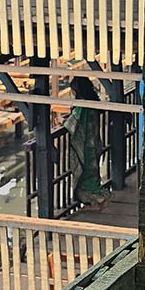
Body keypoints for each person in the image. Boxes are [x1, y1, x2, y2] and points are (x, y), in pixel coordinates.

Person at [64, 78, 110, 209]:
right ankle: (97, 198)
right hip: (94, 143)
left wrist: (62, 121)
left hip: (84, 147)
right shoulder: (93, 102)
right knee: (93, 172)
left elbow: (71, 124)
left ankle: (94, 200)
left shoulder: (81, 106)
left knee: (84, 174)